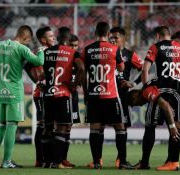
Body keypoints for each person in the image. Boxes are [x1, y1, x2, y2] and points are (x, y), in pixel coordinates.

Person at [136, 26, 180, 170]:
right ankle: (172, 161)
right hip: (179, 91)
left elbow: (145, 69)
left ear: (158, 35)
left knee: (150, 125)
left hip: (161, 89)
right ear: (169, 35)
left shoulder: (155, 46)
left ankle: (145, 162)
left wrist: (147, 87)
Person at [0, 25, 44, 168]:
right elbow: (39, 62)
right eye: (28, 40)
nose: (28, 43)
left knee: (1, 125)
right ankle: (7, 161)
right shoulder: (21, 48)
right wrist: (41, 51)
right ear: (25, 37)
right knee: (11, 125)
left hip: (0, 91)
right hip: (14, 92)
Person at [82, 21, 134, 169]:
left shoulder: (87, 49)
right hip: (111, 95)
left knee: (95, 128)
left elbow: (82, 70)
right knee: (120, 127)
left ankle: (97, 162)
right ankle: (122, 162)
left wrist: (86, 93)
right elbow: (121, 67)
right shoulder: (114, 49)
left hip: (93, 96)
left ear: (95, 33)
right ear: (108, 34)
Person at [130, 76, 180, 170]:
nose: (140, 105)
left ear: (135, 96)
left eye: (136, 103)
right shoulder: (152, 84)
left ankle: (173, 163)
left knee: (178, 128)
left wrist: (172, 126)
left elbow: (166, 106)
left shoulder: (146, 91)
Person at [42, 27, 85, 169]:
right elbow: (82, 69)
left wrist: (41, 81)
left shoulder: (46, 52)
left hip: (48, 94)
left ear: (57, 37)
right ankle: (57, 162)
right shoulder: (72, 53)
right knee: (62, 127)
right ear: (67, 38)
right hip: (63, 94)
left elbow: (34, 68)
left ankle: (46, 162)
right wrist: (75, 84)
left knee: (48, 128)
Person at [109, 26, 143, 168]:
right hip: (105, 93)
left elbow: (144, 69)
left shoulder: (130, 54)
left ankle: (120, 158)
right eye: (111, 37)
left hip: (122, 96)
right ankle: (96, 160)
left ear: (123, 39)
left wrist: (134, 83)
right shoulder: (106, 52)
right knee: (98, 125)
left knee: (122, 127)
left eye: (116, 37)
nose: (113, 39)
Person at [24, 26, 55, 168]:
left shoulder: (53, 51)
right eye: (50, 36)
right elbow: (26, 66)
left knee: (51, 126)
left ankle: (49, 158)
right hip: (42, 94)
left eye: (53, 35)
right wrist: (37, 81)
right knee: (42, 125)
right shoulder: (40, 52)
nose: (53, 38)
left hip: (53, 93)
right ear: (43, 39)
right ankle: (39, 159)